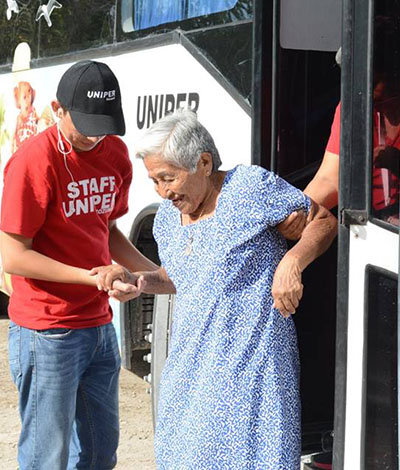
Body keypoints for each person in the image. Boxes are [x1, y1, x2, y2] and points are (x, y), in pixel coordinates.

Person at [91, 109, 337, 470]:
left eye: (168, 178)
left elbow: (323, 220)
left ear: (204, 162)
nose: (163, 191)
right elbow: (181, 277)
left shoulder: (249, 187)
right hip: (191, 374)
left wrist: (292, 262)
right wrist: (138, 279)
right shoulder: (166, 218)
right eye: (154, 181)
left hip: (253, 369)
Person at [0, 60, 157, 470]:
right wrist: (95, 279)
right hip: (47, 329)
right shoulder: (33, 161)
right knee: (46, 457)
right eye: (84, 124)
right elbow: (14, 257)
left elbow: (105, 227)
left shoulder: (116, 153)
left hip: (98, 327)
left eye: (103, 124)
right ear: (58, 109)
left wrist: (151, 273)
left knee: (100, 452)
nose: (93, 136)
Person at [279, 16, 400, 238]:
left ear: (394, 74)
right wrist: (295, 213)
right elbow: (329, 178)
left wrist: (395, 162)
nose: (360, 89)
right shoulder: (353, 107)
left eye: (371, 81)